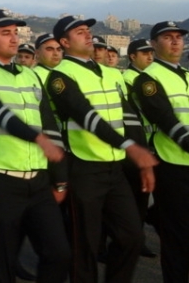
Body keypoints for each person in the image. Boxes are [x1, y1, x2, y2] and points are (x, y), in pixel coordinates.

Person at [0, 9, 70, 283]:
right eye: (5, 33)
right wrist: (37, 138)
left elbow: (50, 126)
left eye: (16, 33)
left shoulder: (30, 75)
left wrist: (60, 179)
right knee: (2, 264)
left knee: (59, 253)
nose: (14, 39)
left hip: (38, 180)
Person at [47, 15, 157, 282]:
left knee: (131, 236)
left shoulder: (107, 74)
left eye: (88, 30)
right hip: (83, 168)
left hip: (115, 167)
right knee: (84, 244)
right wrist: (130, 147)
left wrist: (140, 159)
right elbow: (86, 116)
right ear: (64, 42)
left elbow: (127, 117)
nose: (88, 35)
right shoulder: (60, 77)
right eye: (80, 32)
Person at [134, 21, 189, 282]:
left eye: (179, 37)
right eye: (168, 37)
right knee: (177, 236)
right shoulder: (148, 79)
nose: (176, 41)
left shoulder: (187, 75)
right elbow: (165, 119)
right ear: (154, 44)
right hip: (173, 166)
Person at [121, 38, 157, 258]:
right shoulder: (127, 79)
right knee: (135, 197)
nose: (149, 57)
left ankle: (138, 238)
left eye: (151, 53)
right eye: (144, 53)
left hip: (153, 144)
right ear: (132, 56)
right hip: (135, 145)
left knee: (145, 199)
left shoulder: (151, 77)